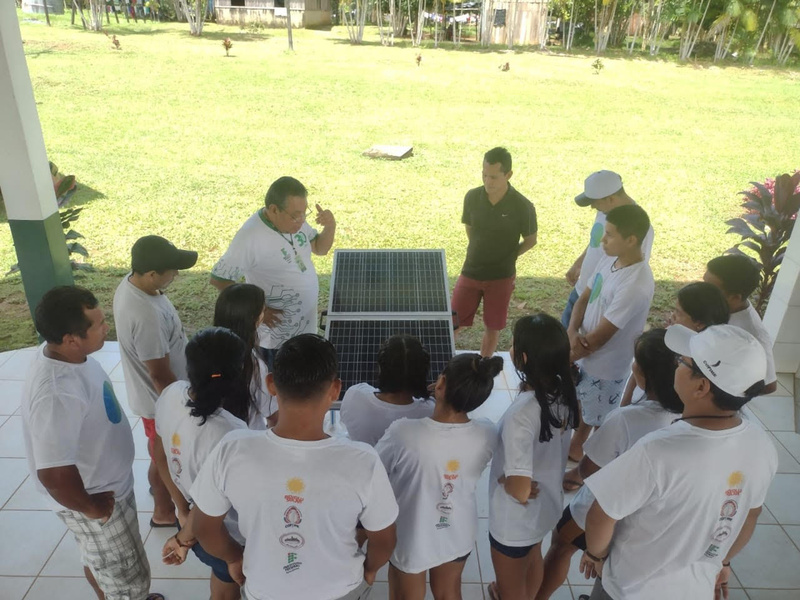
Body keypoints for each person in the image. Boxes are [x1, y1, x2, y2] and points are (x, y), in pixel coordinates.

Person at [189, 334, 398, 600]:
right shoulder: (363, 460)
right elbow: (384, 539)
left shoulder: (232, 448)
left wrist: (234, 558)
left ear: (271, 384)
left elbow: (204, 528)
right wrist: (370, 569)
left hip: (264, 589)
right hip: (340, 589)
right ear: (335, 389)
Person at [579, 324, 778, 600]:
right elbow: (750, 516)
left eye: (682, 361)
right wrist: (723, 561)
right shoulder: (762, 444)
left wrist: (595, 554)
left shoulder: (657, 450)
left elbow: (602, 514)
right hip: (695, 590)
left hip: (629, 589)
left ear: (700, 386)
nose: (676, 365)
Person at [21, 286, 163, 600]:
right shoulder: (56, 393)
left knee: (101, 560)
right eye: (98, 325)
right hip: (96, 495)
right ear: (71, 339)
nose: (106, 327)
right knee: (126, 577)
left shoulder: (70, 356)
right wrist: (92, 507)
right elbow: (54, 474)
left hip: (105, 486)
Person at [536, 329, 683, 600]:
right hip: (647, 516)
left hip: (600, 509)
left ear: (643, 374)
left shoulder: (626, 420)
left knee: (561, 544)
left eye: (635, 361)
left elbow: (590, 469)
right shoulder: (686, 416)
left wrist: (574, 473)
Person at [375, 353, 502, 600]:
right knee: (449, 593)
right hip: (458, 530)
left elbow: (376, 471)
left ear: (441, 384)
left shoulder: (404, 432)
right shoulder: (487, 432)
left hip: (412, 534)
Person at [487, 314, 580, 600]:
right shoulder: (564, 391)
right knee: (532, 557)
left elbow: (520, 489)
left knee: (512, 589)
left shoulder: (522, 415)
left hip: (514, 521)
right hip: (546, 508)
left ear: (524, 358)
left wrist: (508, 480)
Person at [155, 327, 251, 600]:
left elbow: (159, 453)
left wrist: (181, 509)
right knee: (225, 591)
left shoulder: (172, 394)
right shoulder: (232, 433)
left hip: (187, 520)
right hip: (223, 537)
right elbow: (209, 503)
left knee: (220, 588)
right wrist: (186, 537)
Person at [114, 235, 198, 527]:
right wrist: (183, 406)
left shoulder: (137, 286)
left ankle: (160, 491)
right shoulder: (144, 313)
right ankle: (163, 512)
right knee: (163, 459)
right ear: (151, 274)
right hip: (159, 402)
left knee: (160, 456)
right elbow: (159, 373)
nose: (175, 275)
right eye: (171, 271)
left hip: (158, 399)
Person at [210, 176, 336, 367]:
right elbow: (219, 279)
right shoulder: (250, 237)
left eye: (304, 213)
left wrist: (330, 226)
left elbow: (320, 248)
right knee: (278, 389)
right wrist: (259, 310)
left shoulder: (296, 223)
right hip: (276, 342)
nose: (301, 221)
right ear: (274, 209)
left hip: (304, 329)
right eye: (295, 215)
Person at [566, 204, 655, 468]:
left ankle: (587, 462)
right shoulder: (610, 258)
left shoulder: (636, 284)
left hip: (606, 365)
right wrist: (572, 331)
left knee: (595, 417)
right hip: (583, 351)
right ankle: (576, 447)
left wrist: (567, 355)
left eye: (610, 235)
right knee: (582, 406)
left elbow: (599, 339)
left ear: (631, 240)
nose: (602, 240)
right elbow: (583, 297)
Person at [451, 147, 538, 357]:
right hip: (470, 271)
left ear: (508, 175)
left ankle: (483, 366)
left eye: (493, 177)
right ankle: (441, 364)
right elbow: (470, 228)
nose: (487, 181)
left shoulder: (523, 206)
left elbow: (531, 240)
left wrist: (509, 255)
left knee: (493, 327)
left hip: (501, 276)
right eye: (484, 175)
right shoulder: (472, 197)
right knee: (452, 323)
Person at [562, 171, 654, 329]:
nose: (592, 206)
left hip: (599, 301)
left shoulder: (637, 227)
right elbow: (596, 241)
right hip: (582, 290)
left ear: (610, 199)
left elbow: (632, 269)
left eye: (594, 202)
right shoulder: (605, 211)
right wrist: (579, 263)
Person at [618, 281, 728, 409]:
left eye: (678, 312)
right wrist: (626, 401)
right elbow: (640, 365)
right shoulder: (670, 335)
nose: (672, 316)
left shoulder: (706, 362)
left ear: (699, 323)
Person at [340, 334, 435, 446]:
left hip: (361, 462)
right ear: (423, 372)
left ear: (381, 367)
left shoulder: (355, 395)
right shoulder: (431, 412)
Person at [704, 254, 778, 394]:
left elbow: (769, 385)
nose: (701, 291)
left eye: (710, 289)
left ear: (735, 297)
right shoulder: (716, 305)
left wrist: (718, 394)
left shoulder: (752, 334)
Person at [213, 283, 277, 429]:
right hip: (247, 438)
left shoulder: (203, 350)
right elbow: (272, 415)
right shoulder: (252, 364)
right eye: (263, 309)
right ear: (254, 319)